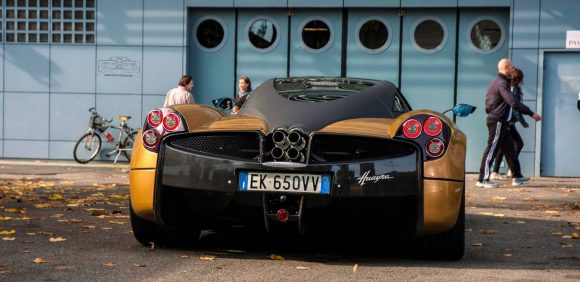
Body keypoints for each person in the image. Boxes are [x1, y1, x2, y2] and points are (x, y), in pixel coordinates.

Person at [476, 59, 541, 188]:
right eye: (512, 67)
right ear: (506, 67)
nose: (514, 69)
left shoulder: (496, 81)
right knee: (492, 149)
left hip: (501, 121)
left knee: (510, 149)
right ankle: (482, 180)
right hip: (498, 121)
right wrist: (531, 113)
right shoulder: (502, 83)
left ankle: (517, 177)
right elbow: (513, 102)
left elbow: (488, 102)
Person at [490, 68, 527, 180]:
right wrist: (522, 121)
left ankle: (497, 171)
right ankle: (512, 170)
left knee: (503, 146)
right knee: (518, 143)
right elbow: (514, 106)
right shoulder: (513, 89)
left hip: (506, 120)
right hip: (508, 121)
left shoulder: (507, 87)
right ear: (518, 79)